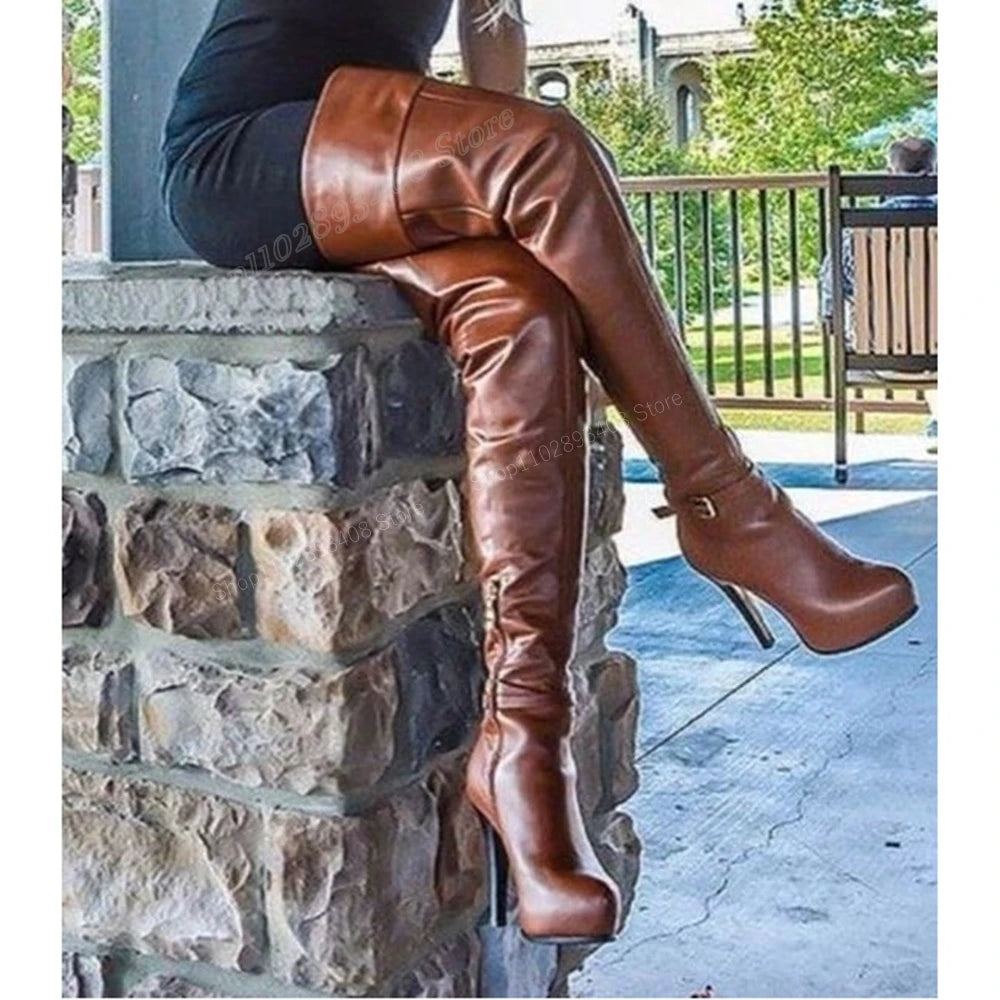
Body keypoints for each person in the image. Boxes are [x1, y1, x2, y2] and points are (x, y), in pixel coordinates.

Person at [162, 0, 917, 944]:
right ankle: (726, 501)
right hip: (249, 159)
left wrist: (486, 192)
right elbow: (514, 136)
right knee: (548, 150)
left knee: (527, 310)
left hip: (375, 162)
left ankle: (524, 745)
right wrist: (498, 153)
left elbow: (494, 40)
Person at [820, 136, 938, 445]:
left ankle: (842, 459)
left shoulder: (857, 232)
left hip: (876, 357)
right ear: (934, 171)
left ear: (890, 174)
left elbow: (832, 291)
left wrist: (832, 322)